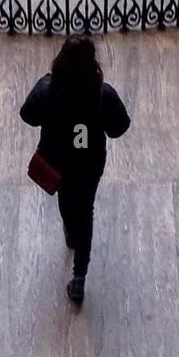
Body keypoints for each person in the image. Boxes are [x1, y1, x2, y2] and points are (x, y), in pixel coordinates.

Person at [19, 36, 131, 305]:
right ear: (93, 64)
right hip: (89, 165)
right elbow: (119, 128)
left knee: (65, 200)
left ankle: (71, 233)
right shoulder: (103, 94)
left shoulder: (47, 90)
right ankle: (79, 275)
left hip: (58, 162)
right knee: (86, 210)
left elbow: (27, 115)